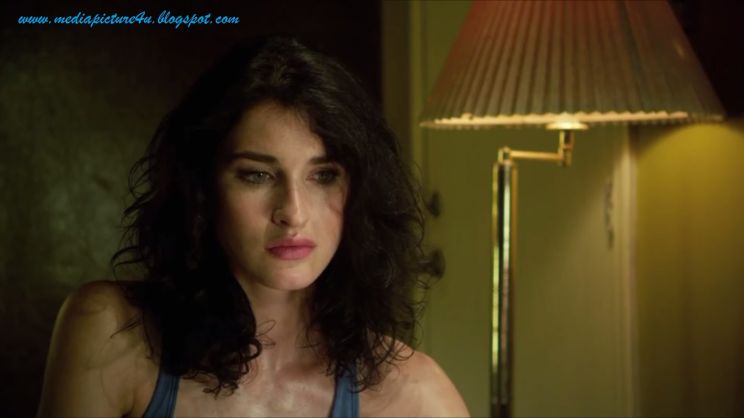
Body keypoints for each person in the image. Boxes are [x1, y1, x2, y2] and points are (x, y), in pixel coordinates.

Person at [36, 35, 469, 417]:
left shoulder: (414, 393)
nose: (293, 213)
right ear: (202, 187)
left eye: (323, 175)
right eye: (257, 175)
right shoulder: (112, 331)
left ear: (358, 191)